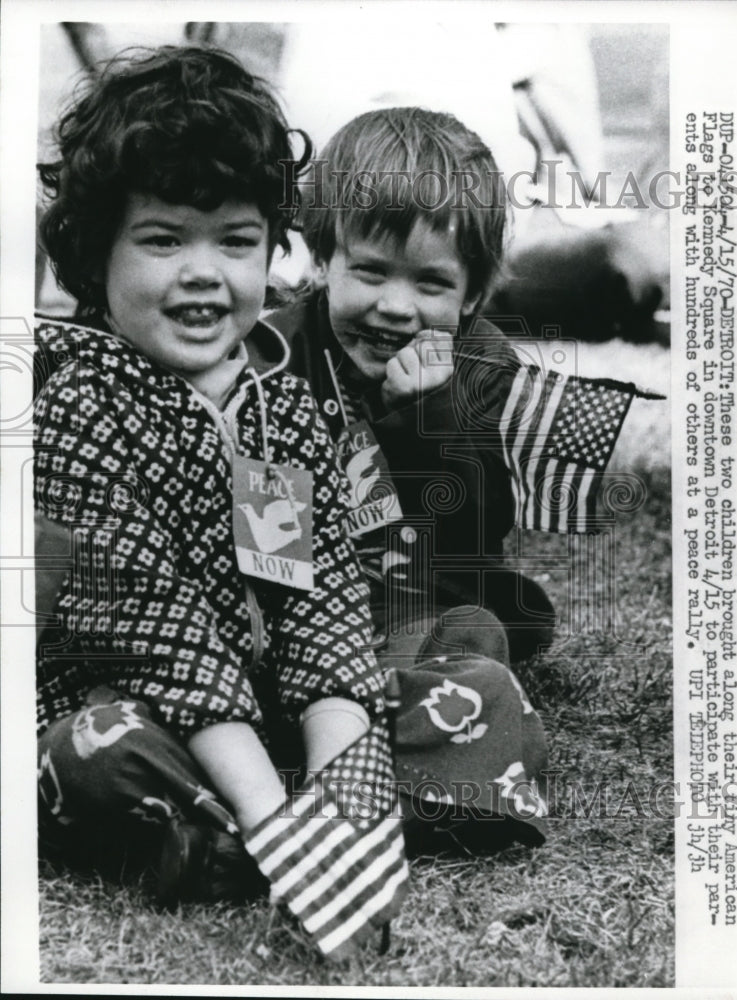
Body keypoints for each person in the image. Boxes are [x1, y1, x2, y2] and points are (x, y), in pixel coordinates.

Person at [34, 46, 388, 906]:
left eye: (236, 241)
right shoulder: (74, 407)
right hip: (130, 699)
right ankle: (242, 836)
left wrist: (341, 795)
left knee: (466, 686)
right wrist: (277, 816)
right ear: (92, 257)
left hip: (267, 710)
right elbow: (152, 622)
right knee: (91, 750)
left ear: (271, 250)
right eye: (162, 240)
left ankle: (332, 822)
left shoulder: (284, 411)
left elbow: (316, 596)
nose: (204, 272)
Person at [267, 107, 557, 666]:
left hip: (431, 584)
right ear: (324, 259)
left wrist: (428, 415)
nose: (395, 308)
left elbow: (481, 525)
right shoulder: (274, 355)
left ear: (471, 296)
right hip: (305, 586)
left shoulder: (483, 362)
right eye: (371, 272)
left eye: (431, 283)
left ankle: (416, 654)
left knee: (496, 618)